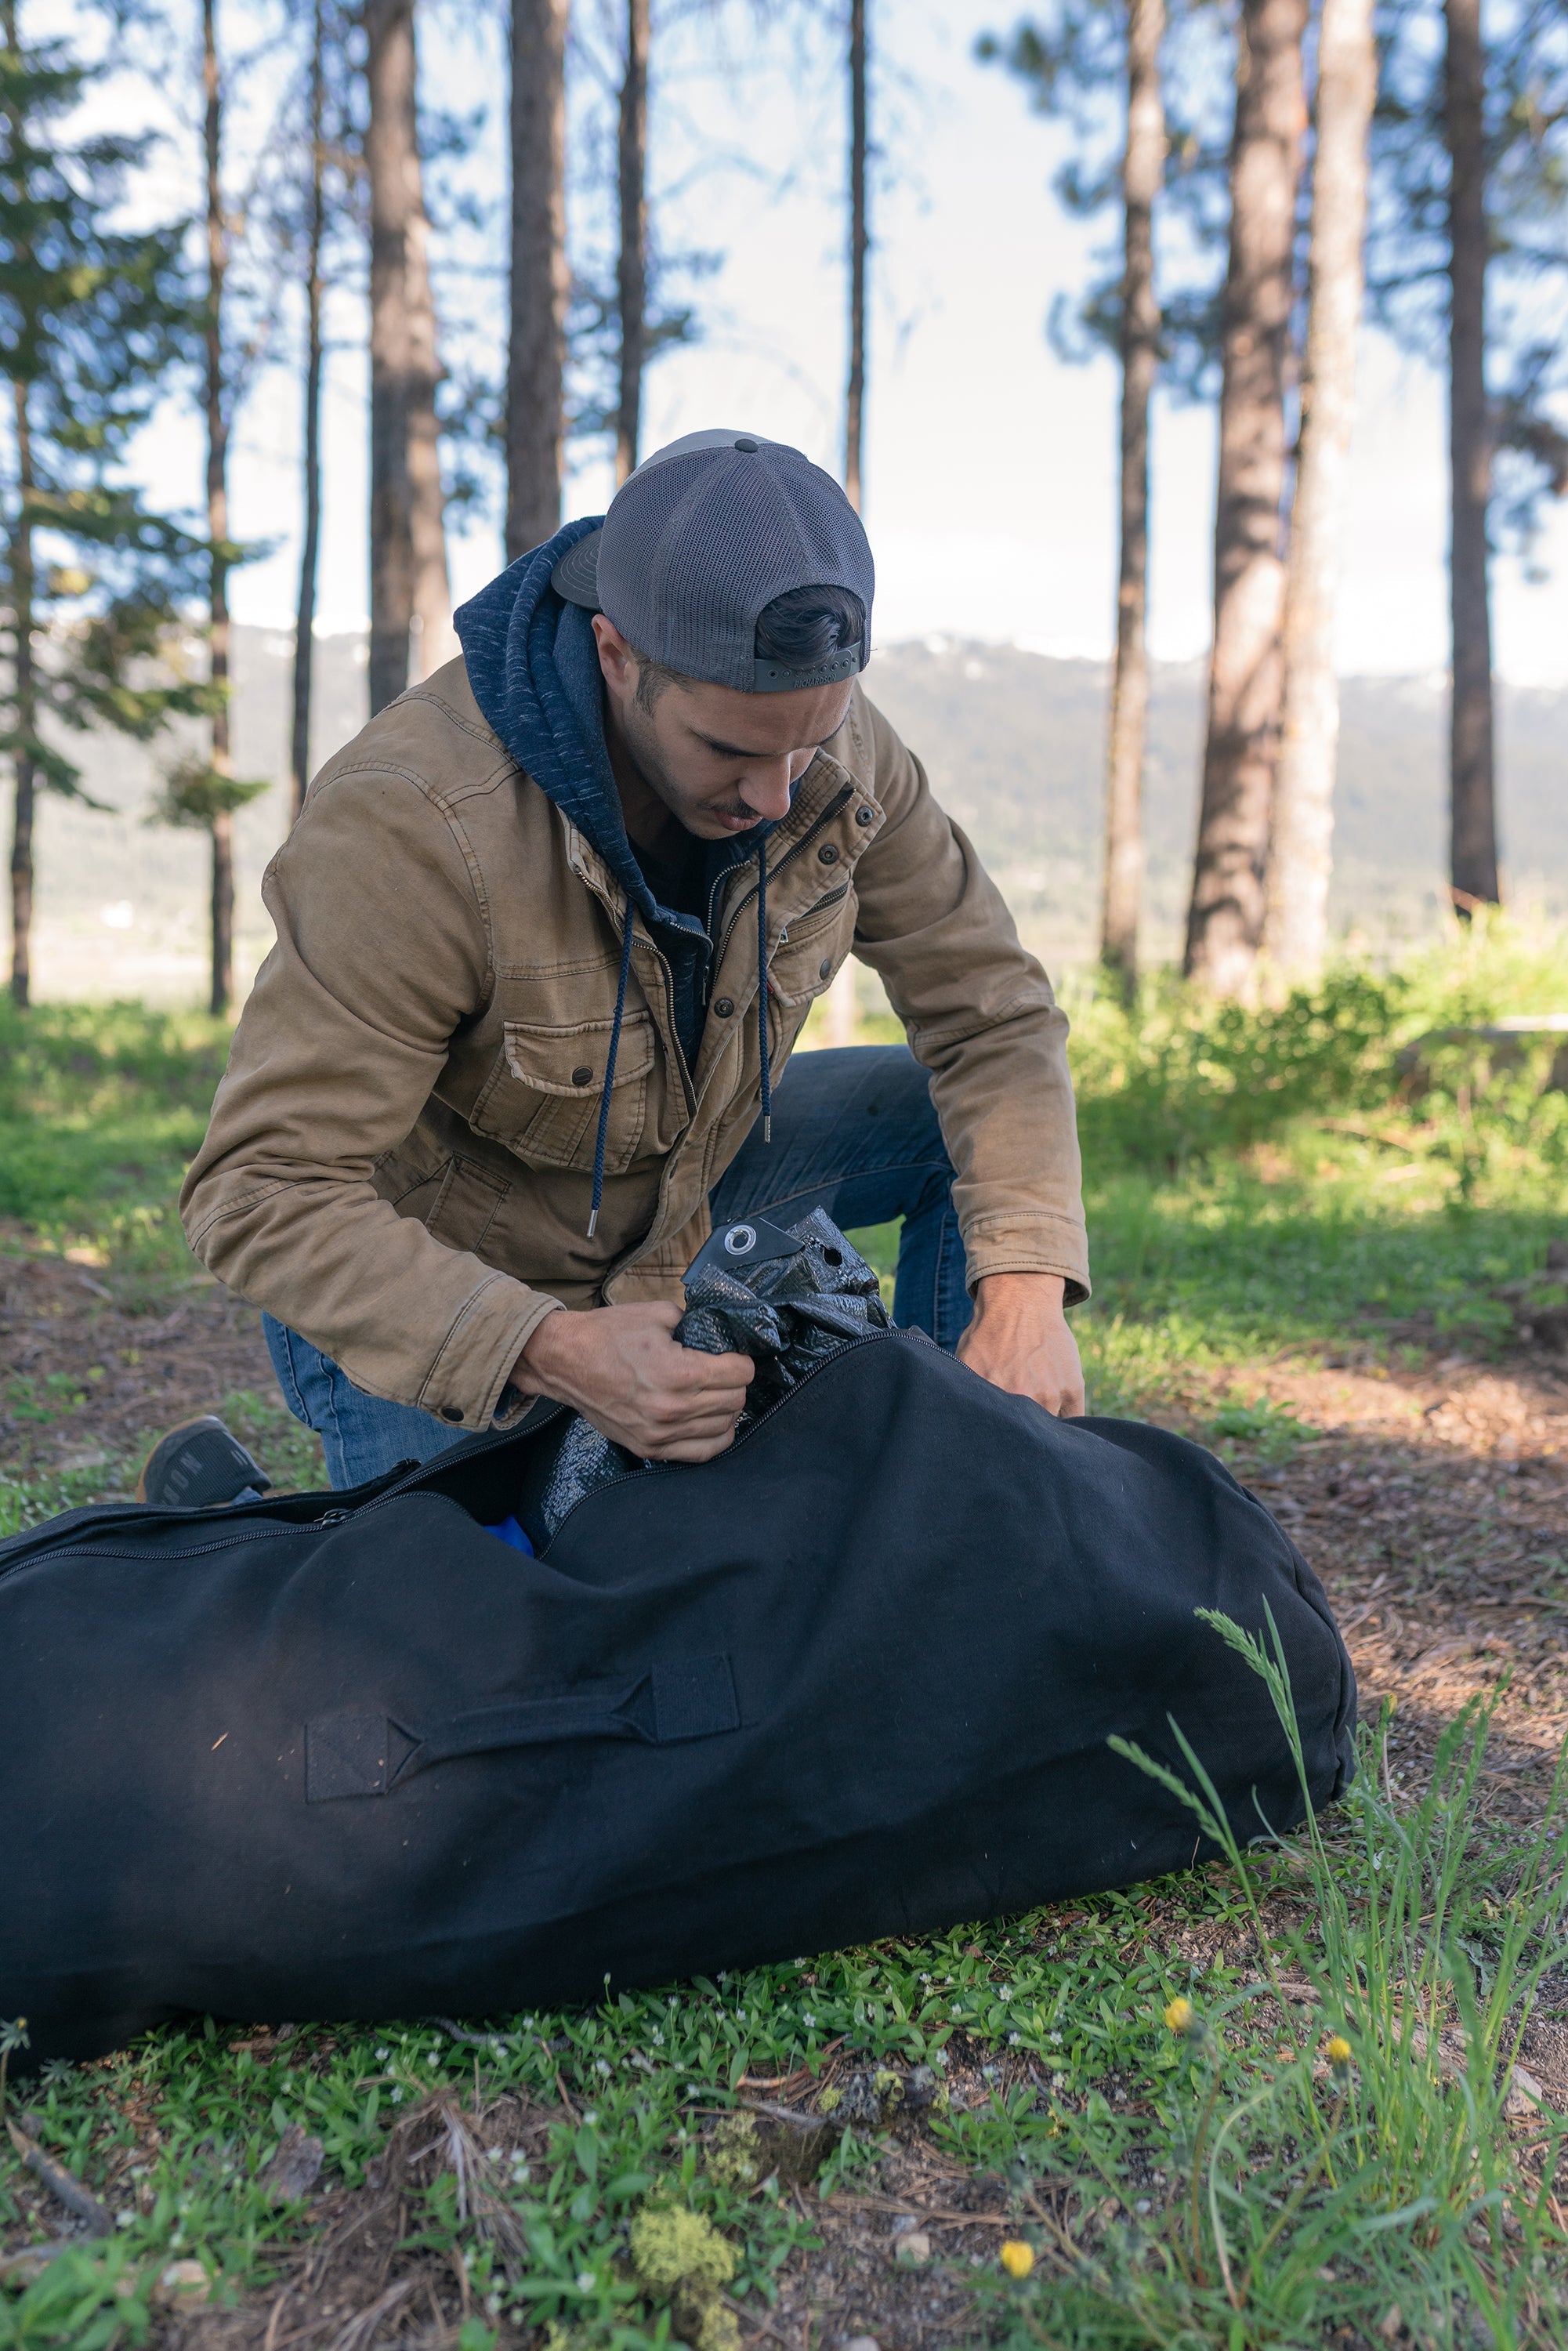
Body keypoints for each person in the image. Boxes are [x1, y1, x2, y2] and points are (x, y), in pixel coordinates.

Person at [176, 429, 1089, 1498]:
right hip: (445, 1275)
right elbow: (262, 1189)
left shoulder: (828, 748)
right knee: (491, 1639)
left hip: (682, 1202)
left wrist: (1021, 1294)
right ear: (617, 654)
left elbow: (992, 1015)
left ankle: (962, 1494)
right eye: (731, 751)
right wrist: (553, 1349)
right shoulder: (414, 821)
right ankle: (237, 1516)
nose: (777, 796)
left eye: (810, 741)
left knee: (951, 1135)